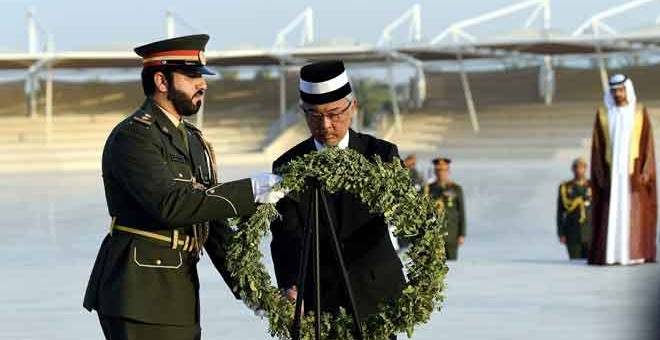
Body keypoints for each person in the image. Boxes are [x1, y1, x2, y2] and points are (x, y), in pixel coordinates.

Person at [82, 34, 284, 340]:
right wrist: (252, 191)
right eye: (191, 76)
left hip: (180, 295)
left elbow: (213, 228)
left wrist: (258, 296)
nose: (202, 84)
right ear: (161, 81)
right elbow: (172, 205)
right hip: (139, 294)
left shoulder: (193, 140)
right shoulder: (134, 138)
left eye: (201, 76)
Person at [270, 60, 405, 339]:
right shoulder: (288, 165)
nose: (326, 125)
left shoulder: (381, 155)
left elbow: (406, 217)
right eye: (315, 116)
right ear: (303, 112)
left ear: (352, 107)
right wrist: (291, 285)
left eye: (334, 114)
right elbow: (285, 236)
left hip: (376, 295)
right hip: (320, 300)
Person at [589, 74, 657, 265]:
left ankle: (634, 253)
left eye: (620, 90)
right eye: (614, 91)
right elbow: (597, 148)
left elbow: (647, 145)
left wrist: (646, 170)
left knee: (635, 212)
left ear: (627, 90)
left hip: (633, 172)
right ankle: (611, 254)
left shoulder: (639, 113)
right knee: (610, 212)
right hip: (611, 174)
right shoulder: (603, 114)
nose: (618, 94)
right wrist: (600, 174)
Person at [424, 158, 466, 261]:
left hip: (452, 234)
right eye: (439, 171)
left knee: (452, 265)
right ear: (435, 172)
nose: (441, 174)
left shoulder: (456, 188)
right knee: (436, 265)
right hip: (435, 235)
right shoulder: (429, 188)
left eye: (444, 171)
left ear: (448, 172)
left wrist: (461, 234)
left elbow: (461, 212)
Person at [556, 158, 592, 260]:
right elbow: (560, 212)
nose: (579, 170)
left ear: (585, 169)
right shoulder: (566, 187)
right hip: (572, 232)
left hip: (590, 232)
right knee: (575, 262)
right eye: (576, 167)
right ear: (572, 169)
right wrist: (561, 233)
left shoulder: (592, 186)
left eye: (581, 167)